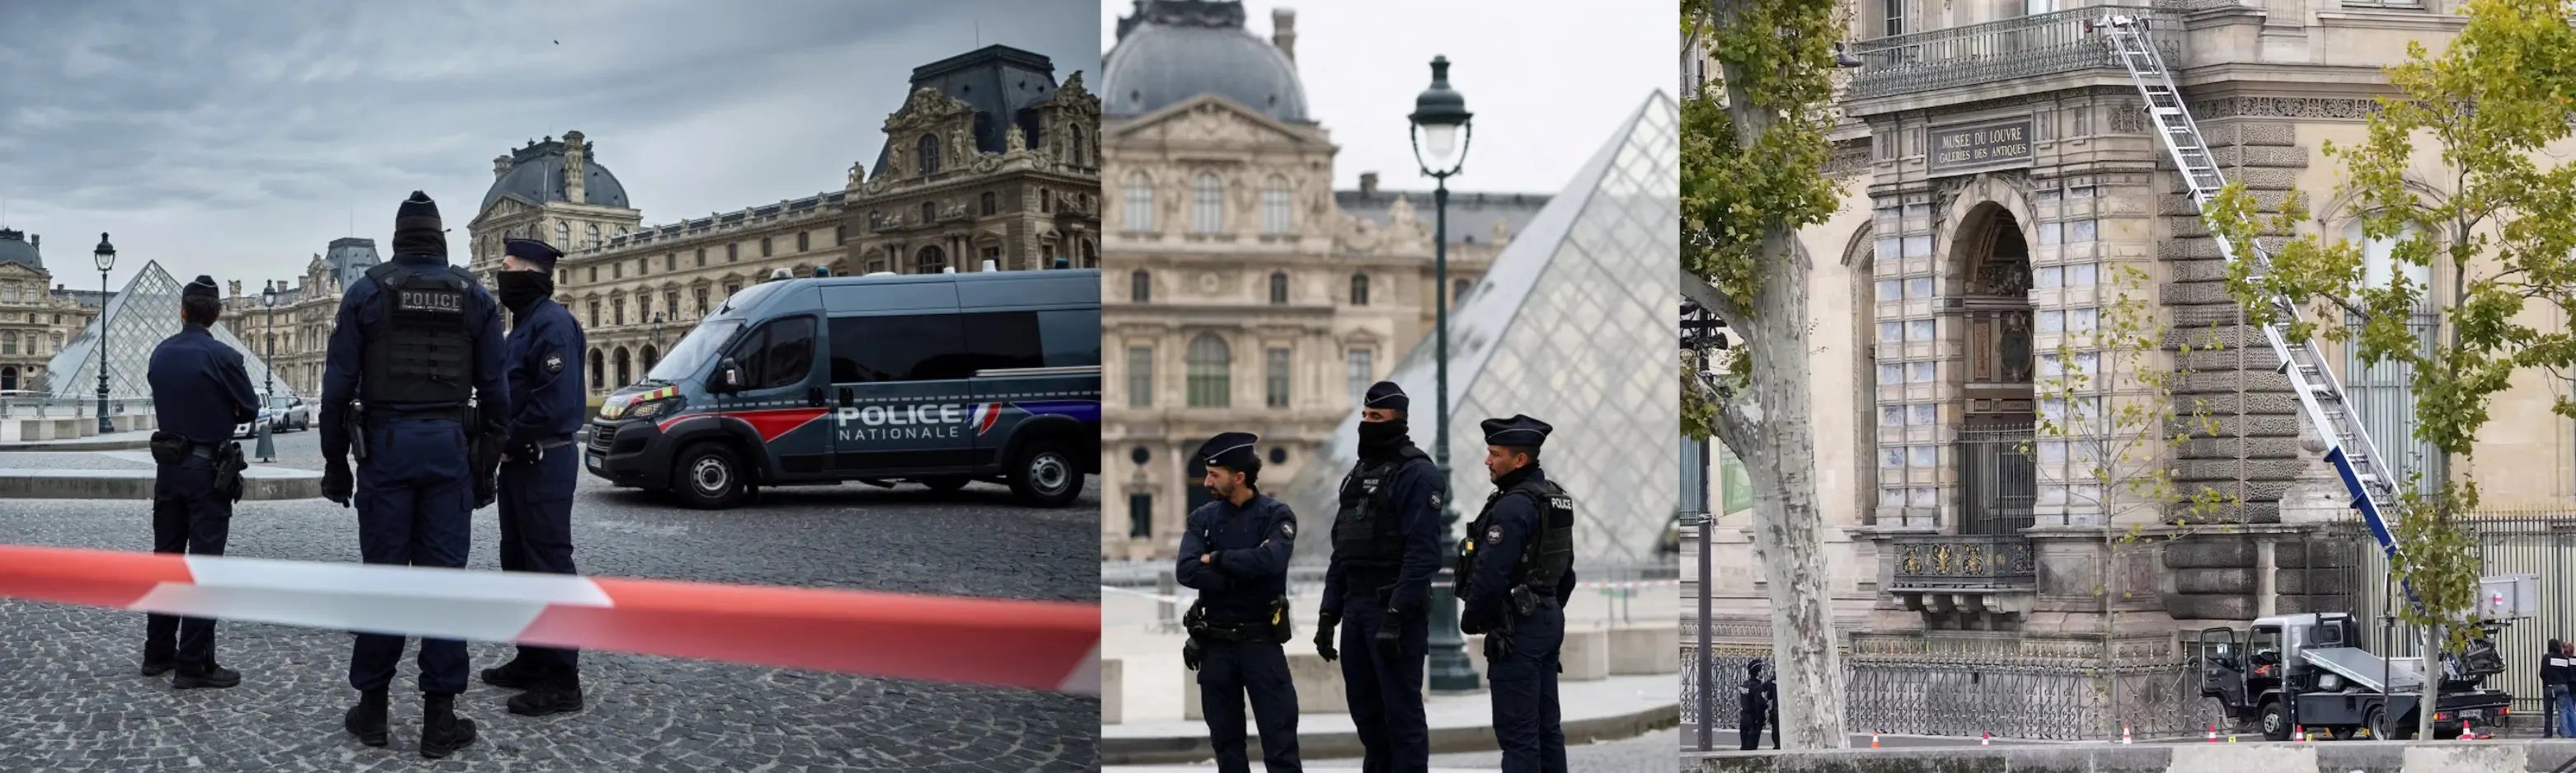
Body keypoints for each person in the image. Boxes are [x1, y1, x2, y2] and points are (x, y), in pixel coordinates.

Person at [319, 190, 509, 759]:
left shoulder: (366, 293)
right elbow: (498, 395)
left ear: (398, 238)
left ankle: (372, 710)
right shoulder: (475, 296)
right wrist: (486, 466)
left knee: (383, 579)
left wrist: (335, 465)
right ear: (442, 238)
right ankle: (439, 718)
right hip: (450, 447)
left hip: (386, 448)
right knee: (443, 583)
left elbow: (334, 394)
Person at [478, 237, 588, 717]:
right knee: (518, 562)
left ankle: (563, 679)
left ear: (530, 273)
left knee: (549, 566)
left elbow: (557, 403)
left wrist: (507, 436)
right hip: (522, 462)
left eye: (506, 267)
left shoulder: (554, 325)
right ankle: (531, 657)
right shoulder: (523, 326)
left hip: (544, 459)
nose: (501, 276)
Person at [139, 274, 260, 690]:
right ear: (218, 314)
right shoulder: (224, 356)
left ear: (182, 310)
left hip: (167, 469)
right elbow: (248, 409)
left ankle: (157, 653)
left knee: (166, 562)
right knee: (203, 568)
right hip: (208, 471)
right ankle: (194, 664)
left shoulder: (160, 353)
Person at [1316, 381, 1444, 772]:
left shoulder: (1417, 473)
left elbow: (1423, 554)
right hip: (1356, 610)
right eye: (1366, 416)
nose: (1367, 423)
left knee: (1402, 718)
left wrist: (1396, 613)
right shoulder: (1358, 475)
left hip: (1392, 611)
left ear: (1398, 422)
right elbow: (1343, 552)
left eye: (1377, 417)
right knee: (1368, 719)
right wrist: (1327, 615)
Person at [1175, 432, 1302, 773]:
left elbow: (1271, 562)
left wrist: (1214, 558)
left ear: (1239, 476)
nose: (1206, 482)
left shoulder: (1277, 514)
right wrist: (1241, 571)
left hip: (1262, 644)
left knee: (1281, 747)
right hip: (1215, 647)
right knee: (1227, 748)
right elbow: (1186, 570)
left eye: (1214, 474)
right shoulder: (1203, 517)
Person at [1457, 414, 1575, 773]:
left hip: (1517, 626)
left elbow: (1490, 576)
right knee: (1546, 729)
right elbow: (1566, 572)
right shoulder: (1555, 498)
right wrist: (1545, 604)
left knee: (1518, 734)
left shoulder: (1511, 507)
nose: (1487, 460)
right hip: (1547, 617)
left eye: (1495, 454)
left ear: (1520, 460)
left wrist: (1473, 620)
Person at [1738, 660, 1771, 751]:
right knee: (1751, 749)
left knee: (1744, 746)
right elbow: (1761, 703)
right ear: (1758, 672)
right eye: (1762, 670)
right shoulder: (1757, 688)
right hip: (1754, 720)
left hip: (1744, 718)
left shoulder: (1744, 685)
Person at [2543, 637, 2564, 738]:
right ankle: (2565, 732)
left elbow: (2542, 672)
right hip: (2562, 686)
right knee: (2563, 711)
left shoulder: (2547, 657)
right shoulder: (2563, 657)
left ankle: (2548, 733)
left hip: (2549, 687)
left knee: (2548, 711)